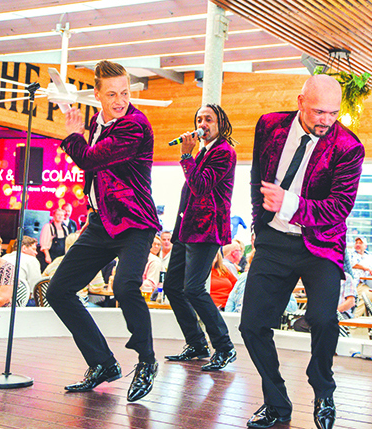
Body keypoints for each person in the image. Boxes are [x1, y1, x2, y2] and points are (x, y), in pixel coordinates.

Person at [240, 74, 365, 429]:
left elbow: (338, 208)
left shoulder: (349, 147)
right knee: (252, 325)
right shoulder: (268, 126)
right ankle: (276, 402)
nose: (326, 120)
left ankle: (323, 389)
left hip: (321, 244)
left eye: (333, 113)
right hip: (274, 240)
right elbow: (257, 177)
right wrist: (260, 224)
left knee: (323, 319)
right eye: (318, 111)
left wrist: (289, 203)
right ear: (300, 102)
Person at [45, 60, 161, 402]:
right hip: (101, 223)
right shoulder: (97, 122)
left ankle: (147, 361)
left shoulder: (135, 126)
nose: (120, 100)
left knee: (125, 286)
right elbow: (96, 173)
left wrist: (72, 135)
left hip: (135, 221)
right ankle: (102, 363)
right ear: (97, 94)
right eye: (111, 94)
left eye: (125, 93)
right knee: (58, 291)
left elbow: (91, 160)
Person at [163, 104, 238, 372]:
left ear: (220, 124)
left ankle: (225, 347)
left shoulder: (224, 152)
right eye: (198, 119)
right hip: (186, 229)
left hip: (206, 230)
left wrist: (186, 156)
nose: (202, 124)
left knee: (194, 288)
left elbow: (200, 186)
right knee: (173, 286)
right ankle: (196, 343)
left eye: (208, 119)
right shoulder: (204, 152)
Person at [350, 235, 372, 317]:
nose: (358, 244)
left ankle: (358, 317)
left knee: (371, 294)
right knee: (366, 296)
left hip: (362, 284)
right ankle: (354, 318)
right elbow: (352, 264)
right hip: (352, 283)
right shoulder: (351, 254)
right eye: (356, 243)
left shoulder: (369, 257)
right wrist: (365, 268)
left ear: (365, 246)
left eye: (360, 243)